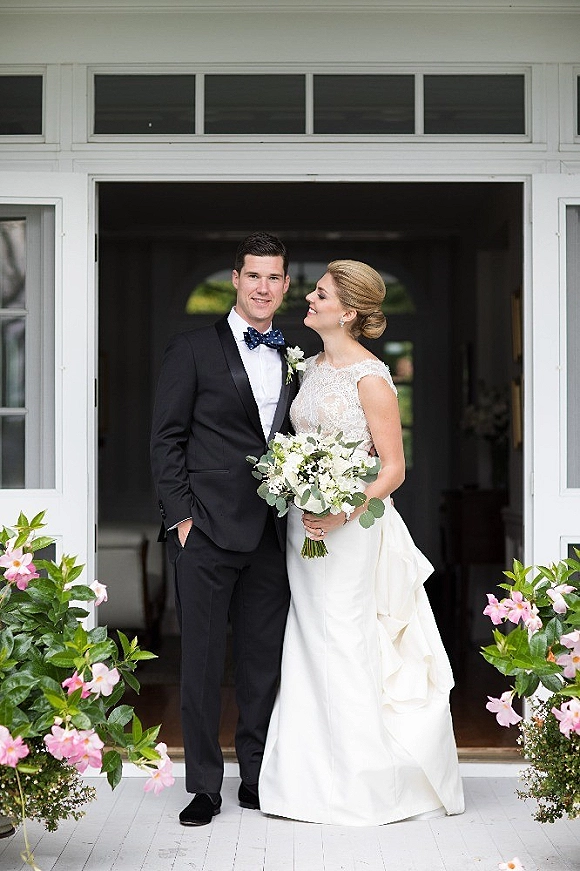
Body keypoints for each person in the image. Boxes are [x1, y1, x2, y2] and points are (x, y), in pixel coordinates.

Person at [259, 259, 465, 826]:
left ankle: (361, 784)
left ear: (348, 312)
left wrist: (342, 509)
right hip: (304, 525)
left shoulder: (370, 377)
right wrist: (296, 486)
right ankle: (304, 783)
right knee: (307, 639)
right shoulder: (309, 368)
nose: (308, 299)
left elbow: (393, 468)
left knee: (346, 640)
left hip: (352, 530)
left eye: (321, 295)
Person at [150, 232, 297, 826]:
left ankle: (254, 776)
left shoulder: (296, 357)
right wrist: (182, 518)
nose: (263, 287)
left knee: (263, 663)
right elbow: (166, 439)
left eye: (274, 277)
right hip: (205, 531)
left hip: (272, 533)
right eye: (253, 275)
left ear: (285, 285)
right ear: (236, 279)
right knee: (203, 665)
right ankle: (205, 787)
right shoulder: (191, 349)